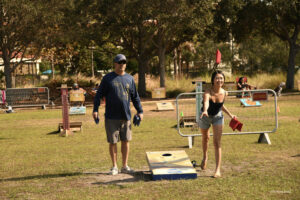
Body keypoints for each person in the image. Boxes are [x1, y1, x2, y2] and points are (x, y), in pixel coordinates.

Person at [93, 54, 143, 175]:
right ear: (115, 63)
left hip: (125, 116)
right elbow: (98, 95)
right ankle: (114, 166)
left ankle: (125, 166)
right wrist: (95, 110)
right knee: (113, 142)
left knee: (126, 141)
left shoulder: (130, 79)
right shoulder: (107, 78)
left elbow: (135, 97)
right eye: (120, 62)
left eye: (124, 62)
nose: (122, 64)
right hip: (111, 116)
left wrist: (140, 111)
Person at [199, 70, 236, 178]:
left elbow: (221, 106)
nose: (219, 80)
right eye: (217, 78)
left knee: (217, 143)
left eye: (221, 78)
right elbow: (206, 102)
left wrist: (230, 115)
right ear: (213, 80)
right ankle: (205, 157)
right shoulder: (207, 92)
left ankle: (217, 170)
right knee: (206, 138)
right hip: (205, 116)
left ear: (223, 80)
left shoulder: (225, 93)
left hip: (217, 117)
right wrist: (205, 110)